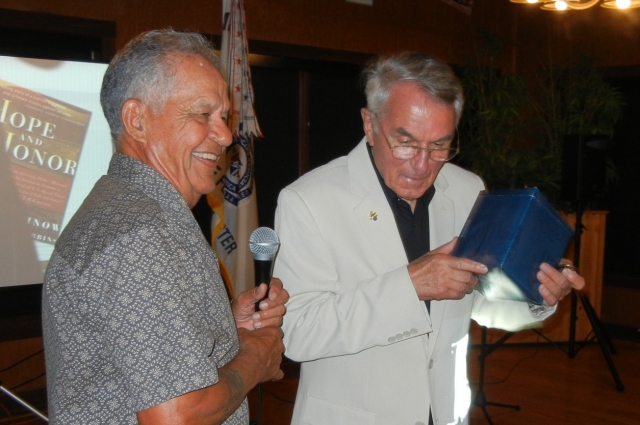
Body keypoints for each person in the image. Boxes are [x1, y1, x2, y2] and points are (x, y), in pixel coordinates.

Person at [273, 53, 585, 425]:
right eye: (405, 142)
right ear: (370, 124)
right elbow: (297, 333)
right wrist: (410, 286)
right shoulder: (308, 200)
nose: (422, 165)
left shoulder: (467, 189)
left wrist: (536, 292)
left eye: (439, 146)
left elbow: (481, 304)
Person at [42, 29, 288, 425]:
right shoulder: (140, 235)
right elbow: (176, 417)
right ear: (137, 120)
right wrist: (255, 355)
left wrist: (228, 329)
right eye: (202, 115)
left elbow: (140, 359)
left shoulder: (126, 211)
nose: (226, 135)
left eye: (223, 117)